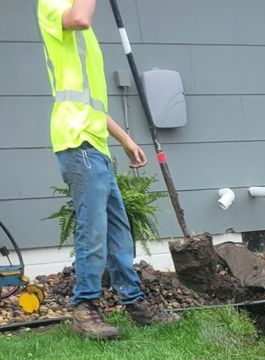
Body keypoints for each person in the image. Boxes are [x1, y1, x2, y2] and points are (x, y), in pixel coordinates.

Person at [37, 0, 179, 339]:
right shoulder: (52, 5)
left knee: (118, 231)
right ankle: (85, 309)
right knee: (94, 229)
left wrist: (126, 141)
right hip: (76, 141)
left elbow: (92, 106)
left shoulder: (85, 43)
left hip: (95, 146)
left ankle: (135, 303)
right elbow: (81, 17)